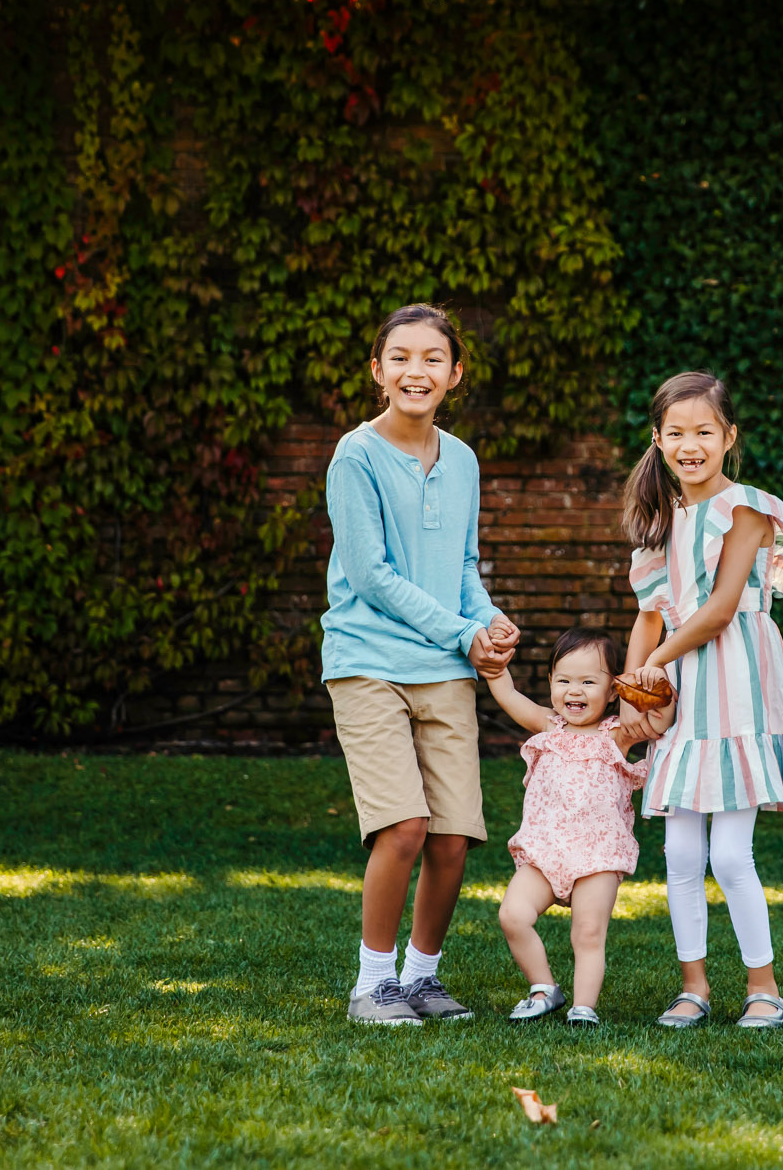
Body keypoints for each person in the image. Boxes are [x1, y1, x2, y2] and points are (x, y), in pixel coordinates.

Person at [322, 303, 520, 1026]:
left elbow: (462, 565)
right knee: (403, 825)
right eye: (400, 357)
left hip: (444, 663)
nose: (417, 370)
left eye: (433, 358)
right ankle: (371, 985)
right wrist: (461, 630)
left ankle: (422, 978)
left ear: (455, 373)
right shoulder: (356, 455)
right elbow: (371, 575)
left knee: (452, 834)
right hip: (367, 659)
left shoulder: (462, 459)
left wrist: (486, 618)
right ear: (378, 371)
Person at [619, 370, 783, 1030]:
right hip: (682, 692)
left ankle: (765, 988)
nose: (690, 444)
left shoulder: (749, 508)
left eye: (704, 431)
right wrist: (628, 692)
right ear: (659, 439)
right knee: (678, 854)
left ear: (729, 436)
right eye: (677, 432)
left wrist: (654, 663)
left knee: (729, 854)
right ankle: (693, 986)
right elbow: (652, 613)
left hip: (735, 683)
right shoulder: (660, 521)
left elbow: (721, 608)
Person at [481, 627, 665, 1027]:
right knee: (513, 915)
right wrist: (496, 672)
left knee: (587, 931)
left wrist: (652, 683)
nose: (573, 691)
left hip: (598, 854)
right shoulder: (549, 727)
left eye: (587, 681)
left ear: (613, 689)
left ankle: (584, 1007)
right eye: (563, 680)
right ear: (550, 683)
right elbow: (510, 696)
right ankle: (544, 988)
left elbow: (658, 719)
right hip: (545, 851)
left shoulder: (618, 733)